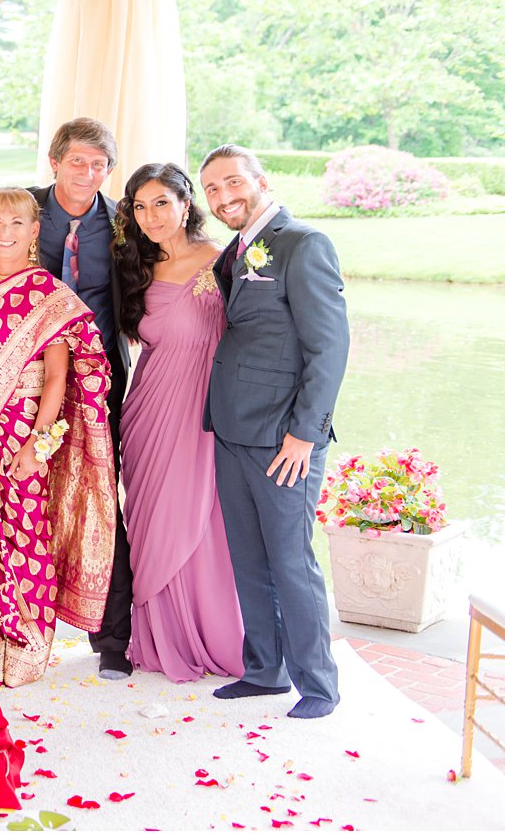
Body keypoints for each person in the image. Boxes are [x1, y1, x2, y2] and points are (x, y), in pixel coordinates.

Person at [0, 117, 135, 679]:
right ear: (54, 163)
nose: (87, 173)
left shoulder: (123, 224)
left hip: (88, 382)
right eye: (76, 161)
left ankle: (111, 639)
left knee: (93, 494)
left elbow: (141, 285)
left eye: (98, 164)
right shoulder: (16, 211)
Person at [201, 144, 350, 720]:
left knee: (291, 561)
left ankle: (319, 685)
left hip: (284, 439)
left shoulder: (303, 244)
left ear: (262, 181)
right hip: (233, 429)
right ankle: (265, 670)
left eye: (233, 183)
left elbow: (328, 347)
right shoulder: (236, 251)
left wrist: (304, 436)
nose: (223, 197)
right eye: (212, 189)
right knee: (248, 558)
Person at [112, 163, 244, 683]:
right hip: (148, 408)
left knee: (199, 517)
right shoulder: (135, 265)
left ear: (186, 204)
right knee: (147, 516)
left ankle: (209, 634)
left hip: (202, 409)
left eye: (161, 203)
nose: (151, 216)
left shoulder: (223, 261)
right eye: (141, 207)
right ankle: (154, 636)